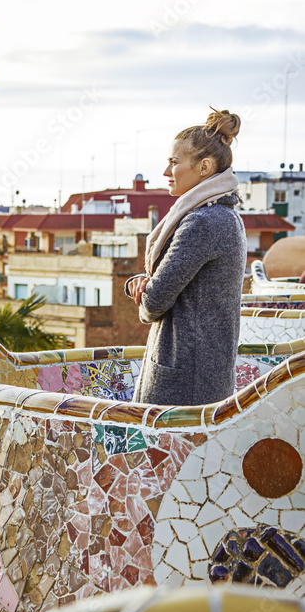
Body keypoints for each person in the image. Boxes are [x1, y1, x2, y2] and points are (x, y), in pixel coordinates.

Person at [126, 108, 247, 406]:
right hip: (205, 375)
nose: (166, 172)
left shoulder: (202, 222)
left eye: (174, 162)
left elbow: (153, 304)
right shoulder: (226, 215)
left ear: (204, 167)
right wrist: (146, 283)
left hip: (183, 382)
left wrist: (145, 293)